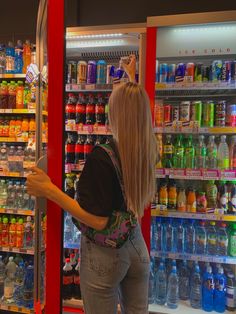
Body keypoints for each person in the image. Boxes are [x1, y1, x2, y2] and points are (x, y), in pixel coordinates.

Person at [26, 56, 157, 314]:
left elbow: (98, 221)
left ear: (116, 114)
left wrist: (49, 190)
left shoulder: (101, 157)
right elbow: (136, 107)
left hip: (106, 257)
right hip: (137, 249)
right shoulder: (148, 149)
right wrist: (130, 79)